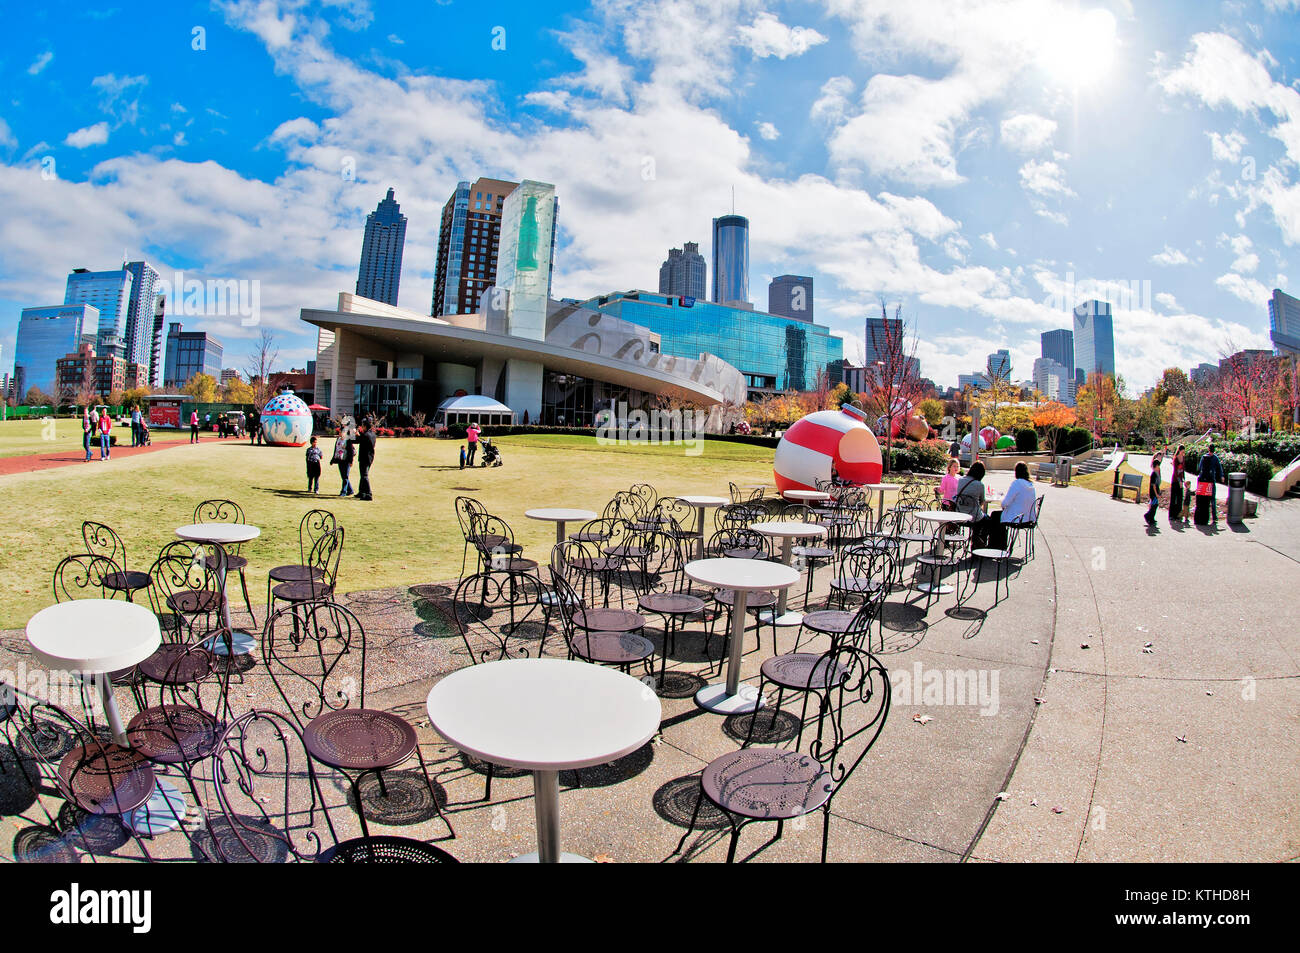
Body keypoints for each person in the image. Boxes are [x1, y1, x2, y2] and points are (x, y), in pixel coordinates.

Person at [1198, 443, 1226, 525]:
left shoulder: (1203, 457)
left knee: (1204, 499)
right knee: (1212, 499)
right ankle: (1214, 517)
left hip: (1204, 480)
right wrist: (1221, 476)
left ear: (1208, 449)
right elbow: (1219, 468)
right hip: (1211, 479)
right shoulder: (1215, 458)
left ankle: (1203, 516)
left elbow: (1200, 468)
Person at [349, 418, 377, 501]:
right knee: (363, 475)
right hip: (370, 457)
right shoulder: (372, 434)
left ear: (365, 426)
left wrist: (354, 433)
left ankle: (368, 493)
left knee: (364, 476)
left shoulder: (365, 435)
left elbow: (355, 440)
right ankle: (361, 492)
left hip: (364, 458)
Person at [331, 426, 355, 496]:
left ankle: (343, 492)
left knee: (345, 477)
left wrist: (351, 461)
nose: (339, 433)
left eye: (340, 432)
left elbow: (351, 452)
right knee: (344, 476)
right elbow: (336, 449)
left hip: (346, 460)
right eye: (339, 432)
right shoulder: (338, 439)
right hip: (340, 460)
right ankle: (350, 490)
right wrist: (333, 459)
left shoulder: (348, 440)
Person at [1145, 448, 1165, 526]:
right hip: (1153, 492)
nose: (1159, 467)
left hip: (1155, 491)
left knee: (1155, 505)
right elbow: (1153, 485)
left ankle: (1151, 518)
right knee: (1154, 505)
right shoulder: (1153, 474)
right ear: (1155, 466)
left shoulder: (1156, 473)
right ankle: (1148, 516)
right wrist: (1156, 493)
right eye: (1158, 466)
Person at [1169, 445, 1186, 525]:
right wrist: (1179, 481)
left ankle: (1178, 515)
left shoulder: (1183, 458)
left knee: (1180, 498)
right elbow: (1176, 471)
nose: (1183, 453)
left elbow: (1183, 470)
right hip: (1175, 481)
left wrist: (1183, 480)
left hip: (1180, 481)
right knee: (1174, 498)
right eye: (1182, 451)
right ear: (1179, 451)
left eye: (1184, 452)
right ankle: (1172, 515)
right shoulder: (1175, 459)